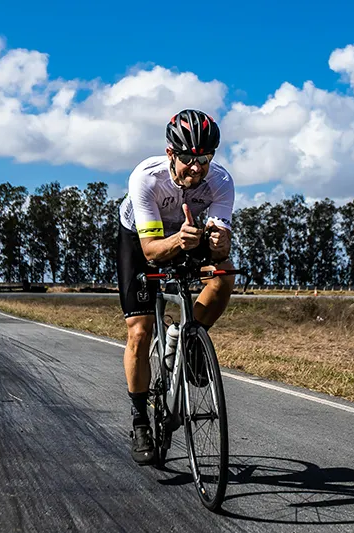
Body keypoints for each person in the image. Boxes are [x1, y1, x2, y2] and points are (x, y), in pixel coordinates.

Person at [116, 109, 236, 465]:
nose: (196, 168)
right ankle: (140, 421)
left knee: (224, 275)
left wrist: (218, 243)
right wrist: (180, 241)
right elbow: (152, 251)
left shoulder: (221, 182)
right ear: (171, 154)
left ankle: (188, 338)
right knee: (139, 331)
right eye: (187, 159)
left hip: (189, 232)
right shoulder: (145, 178)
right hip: (140, 238)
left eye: (204, 159)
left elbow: (223, 245)